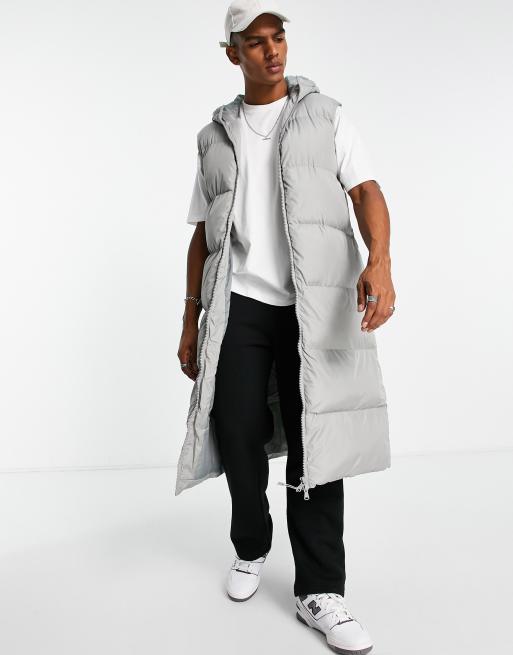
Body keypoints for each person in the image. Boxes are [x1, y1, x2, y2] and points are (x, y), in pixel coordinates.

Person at [177, 2, 396, 653]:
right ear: (232, 54)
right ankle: (251, 545)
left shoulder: (325, 115)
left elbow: (366, 191)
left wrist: (379, 262)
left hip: (312, 305)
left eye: (278, 37)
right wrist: (189, 318)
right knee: (235, 429)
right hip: (239, 303)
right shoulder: (214, 137)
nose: (272, 50)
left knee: (315, 440)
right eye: (255, 41)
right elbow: (201, 233)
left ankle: (320, 590)